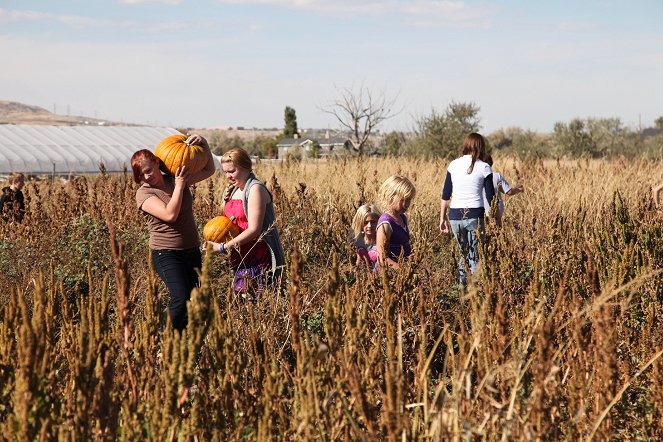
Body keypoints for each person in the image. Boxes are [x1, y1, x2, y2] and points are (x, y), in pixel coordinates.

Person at [131, 134, 215, 331]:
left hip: (191, 250)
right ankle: (163, 339)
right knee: (181, 296)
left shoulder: (175, 179)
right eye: (141, 175)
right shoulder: (144, 193)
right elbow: (170, 215)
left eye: (149, 171)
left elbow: (209, 169)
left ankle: (183, 346)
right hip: (166, 253)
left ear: (157, 163)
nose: (147, 176)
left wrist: (204, 144)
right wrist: (179, 186)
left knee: (194, 300)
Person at [205, 147, 285, 295]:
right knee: (242, 299)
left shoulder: (255, 189)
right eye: (225, 172)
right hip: (240, 253)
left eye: (232, 171)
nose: (228, 176)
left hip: (258, 254)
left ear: (245, 167)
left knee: (258, 298)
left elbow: (254, 229)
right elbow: (227, 223)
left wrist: (223, 247)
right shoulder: (233, 190)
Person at [439, 133, 499, 285]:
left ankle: (461, 288)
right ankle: (475, 292)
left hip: (454, 216)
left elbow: (446, 195)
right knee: (475, 255)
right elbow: (491, 197)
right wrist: (496, 219)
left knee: (462, 253)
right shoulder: (485, 167)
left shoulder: (453, 164)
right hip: (475, 215)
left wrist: (442, 218)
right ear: (481, 147)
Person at [376, 175, 416, 269]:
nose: (406, 204)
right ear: (390, 197)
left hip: (403, 271)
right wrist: (402, 269)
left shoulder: (402, 218)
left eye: (409, 200)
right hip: (390, 274)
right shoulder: (386, 223)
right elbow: (382, 258)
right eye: (402, 200)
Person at [482, 154, 524, 220]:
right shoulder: (496, 176)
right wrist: (519, 189)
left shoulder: (475, 177)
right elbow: (509, 192)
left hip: (480, 214)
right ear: (491, 163)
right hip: (495, 214)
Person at [352, 204, 381, 270]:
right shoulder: (357, 240)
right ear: (359, 223)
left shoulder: (382, 240)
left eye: (373, 222)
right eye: (365, 222)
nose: (369, 226)